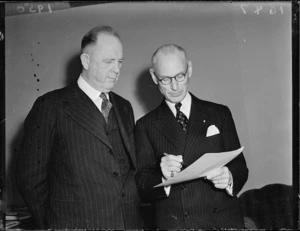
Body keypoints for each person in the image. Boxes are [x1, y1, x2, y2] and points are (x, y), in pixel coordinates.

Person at [16, 26, 143, 229]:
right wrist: (53, 225)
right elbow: (30, 179)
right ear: (85, 61)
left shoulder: (124, 106)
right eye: (109, 61)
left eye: (120, 62)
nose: (117, 69)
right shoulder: (50, 105)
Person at [135, 44, 248, 229]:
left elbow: (240, 167)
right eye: (165, 79)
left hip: (223, 221)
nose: (174, 86)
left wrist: (228, 177)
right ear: (154, 77)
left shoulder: (220, 113)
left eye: (180, 75)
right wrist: (162, 178)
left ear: (190, 69)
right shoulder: (145, 126)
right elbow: (141, 187)